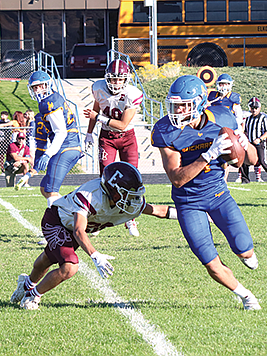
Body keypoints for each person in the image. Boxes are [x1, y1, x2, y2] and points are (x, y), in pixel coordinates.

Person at [151, 75, 261, 310]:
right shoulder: (165, 130)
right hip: (188, 202)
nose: (177, 110)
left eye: (183, 105)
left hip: (218, 195)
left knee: (246, 251)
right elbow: (177, 179)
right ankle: (246, 296)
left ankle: (245, 254)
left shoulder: (222, 116)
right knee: (210, 263)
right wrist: (207, 156)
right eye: (174, 104)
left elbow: (252, 160)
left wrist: (244, 143)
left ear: (200, 103)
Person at [10, 162, 178, 310]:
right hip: (57, 221)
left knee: (49, 257)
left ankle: (26, 284)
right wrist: (95, 255)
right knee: (70, 266)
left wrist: (193, 215)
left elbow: (159, 211)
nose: (133, 197)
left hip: (73, 227)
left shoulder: (127, 202)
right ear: (112, 191)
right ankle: (33, 295)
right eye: (128, 192)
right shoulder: (90, 195)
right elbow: (78, 231)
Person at [83, 59, 143, 237]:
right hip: (107, 138)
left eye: (120, 79)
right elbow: (95, 110)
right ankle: (98, 220)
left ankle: (130, 219)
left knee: (134, 180)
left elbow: (123, 124)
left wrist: (98, 118)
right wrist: (89, 133)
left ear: (126, 79)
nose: (116, 83)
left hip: (127, 138)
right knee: (105, 179)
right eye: (113, 79)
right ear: (107, 78)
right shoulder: (98, 87)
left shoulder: (133, 94)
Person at [27, 70, 82, 207]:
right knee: (44, 188)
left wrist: (48, 154)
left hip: (66, 147)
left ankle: (63, 222)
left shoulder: (50, 103)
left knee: (51, 191)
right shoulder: (51, 99)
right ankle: (73, 209)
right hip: (69, 146)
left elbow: (61, 132)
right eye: (35, 87)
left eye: (41, 86)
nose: (38, 90)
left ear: (48, 85)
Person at [240, 97, 267, 184]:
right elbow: (245, 130)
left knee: (263, 161)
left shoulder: (263, 117)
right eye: (252, 108)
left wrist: (259, 139)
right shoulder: (248, 118)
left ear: (259, 108)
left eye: (256, 108)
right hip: (249, 143)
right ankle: (245, 180)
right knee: (244, 160)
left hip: (259, 143)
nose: (254, 110)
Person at [15, 112, 52, 190]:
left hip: (38, 143)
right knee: (51, 164)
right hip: (45, 143)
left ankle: (26, 177)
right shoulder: (46, 118)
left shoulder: (36, 120)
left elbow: (34, 133)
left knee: (36, 165)